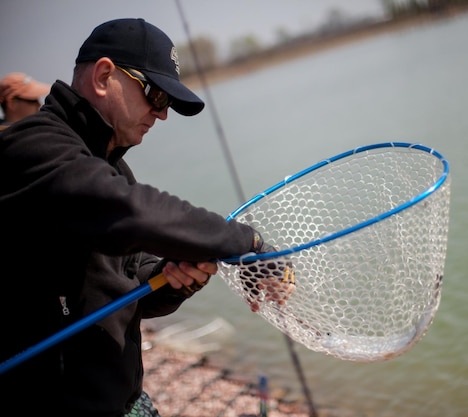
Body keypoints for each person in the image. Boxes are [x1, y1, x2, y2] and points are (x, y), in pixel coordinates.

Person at [0, 18, 291, 416]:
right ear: (104, 76)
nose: (163, 114)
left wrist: (174, 280)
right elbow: (129, 209)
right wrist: (248, 244)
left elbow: (130, 293)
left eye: (167, 103)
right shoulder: (30, 147)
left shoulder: (114, 170)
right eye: (156, 96)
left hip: (128, 402)